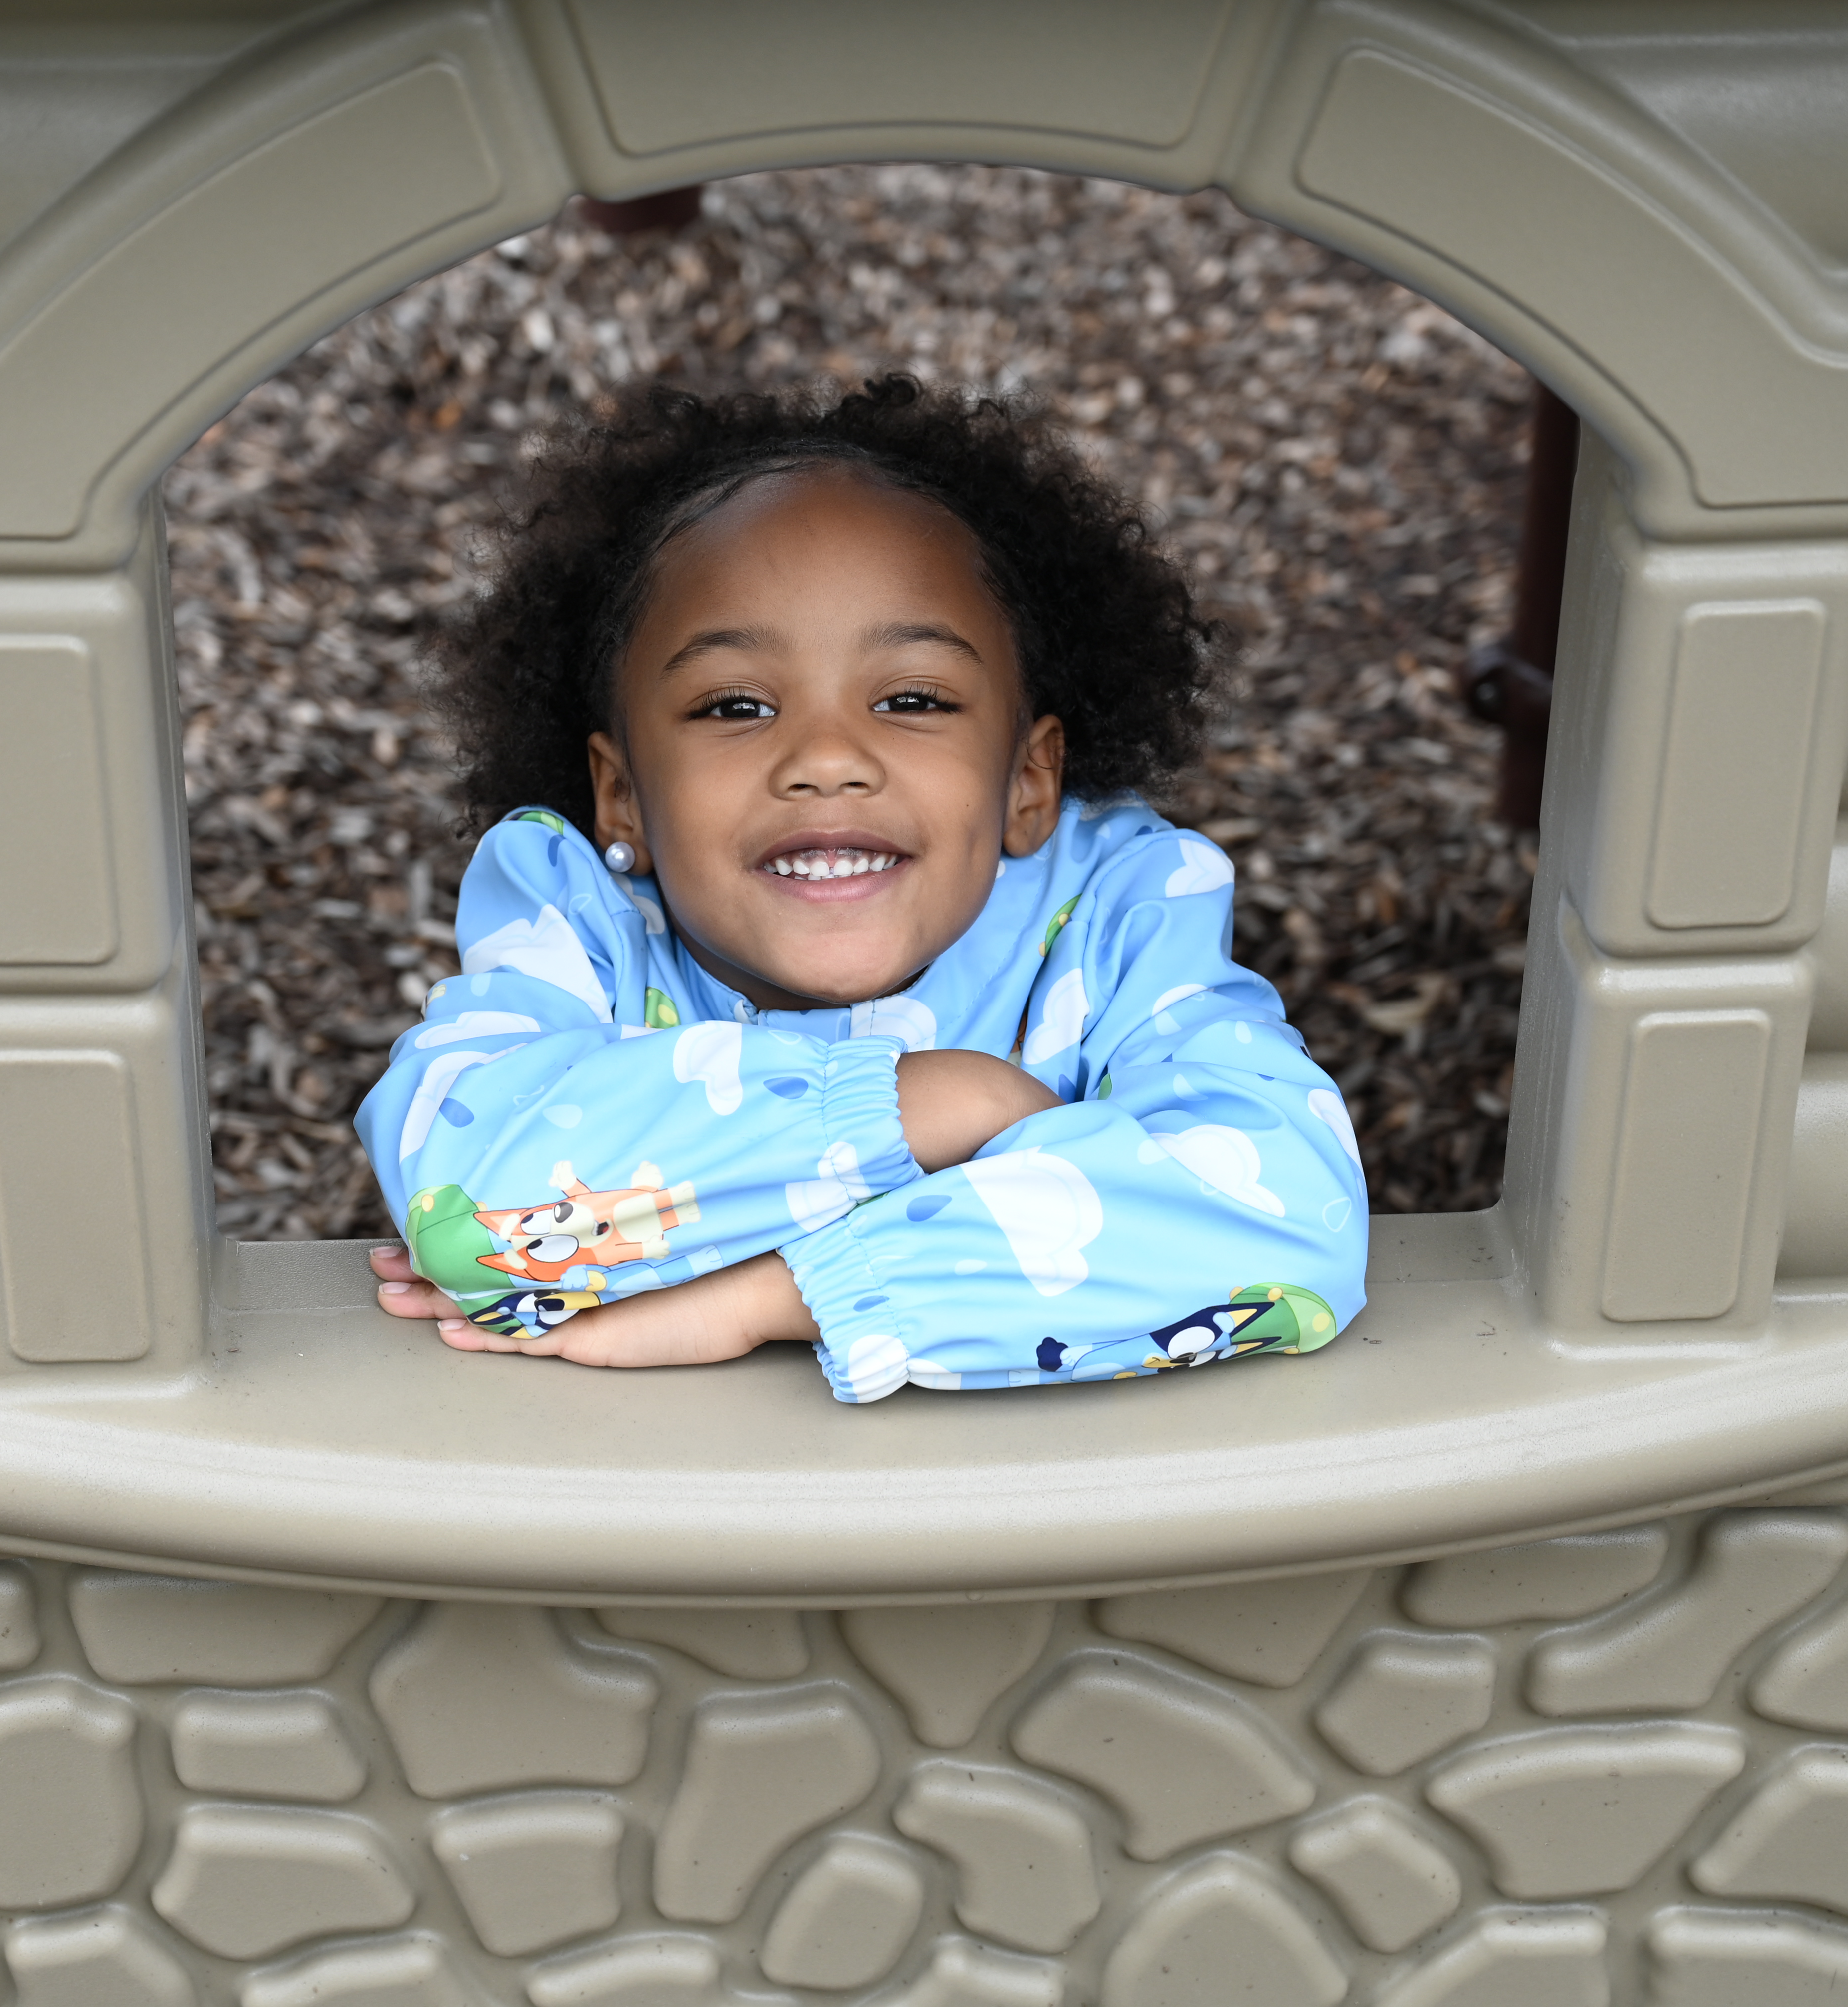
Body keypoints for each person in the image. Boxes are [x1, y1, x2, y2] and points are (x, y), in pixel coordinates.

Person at [355, 376, 1368, 1401]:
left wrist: (770, 1297)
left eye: (914, 697)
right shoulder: (579, 919)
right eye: (737, 703)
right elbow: (469, 1201)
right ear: (621, 795)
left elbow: (1291, 1208)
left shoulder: (1115, 908)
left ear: (1029, 779)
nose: (829, 756)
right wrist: (941, 1102)